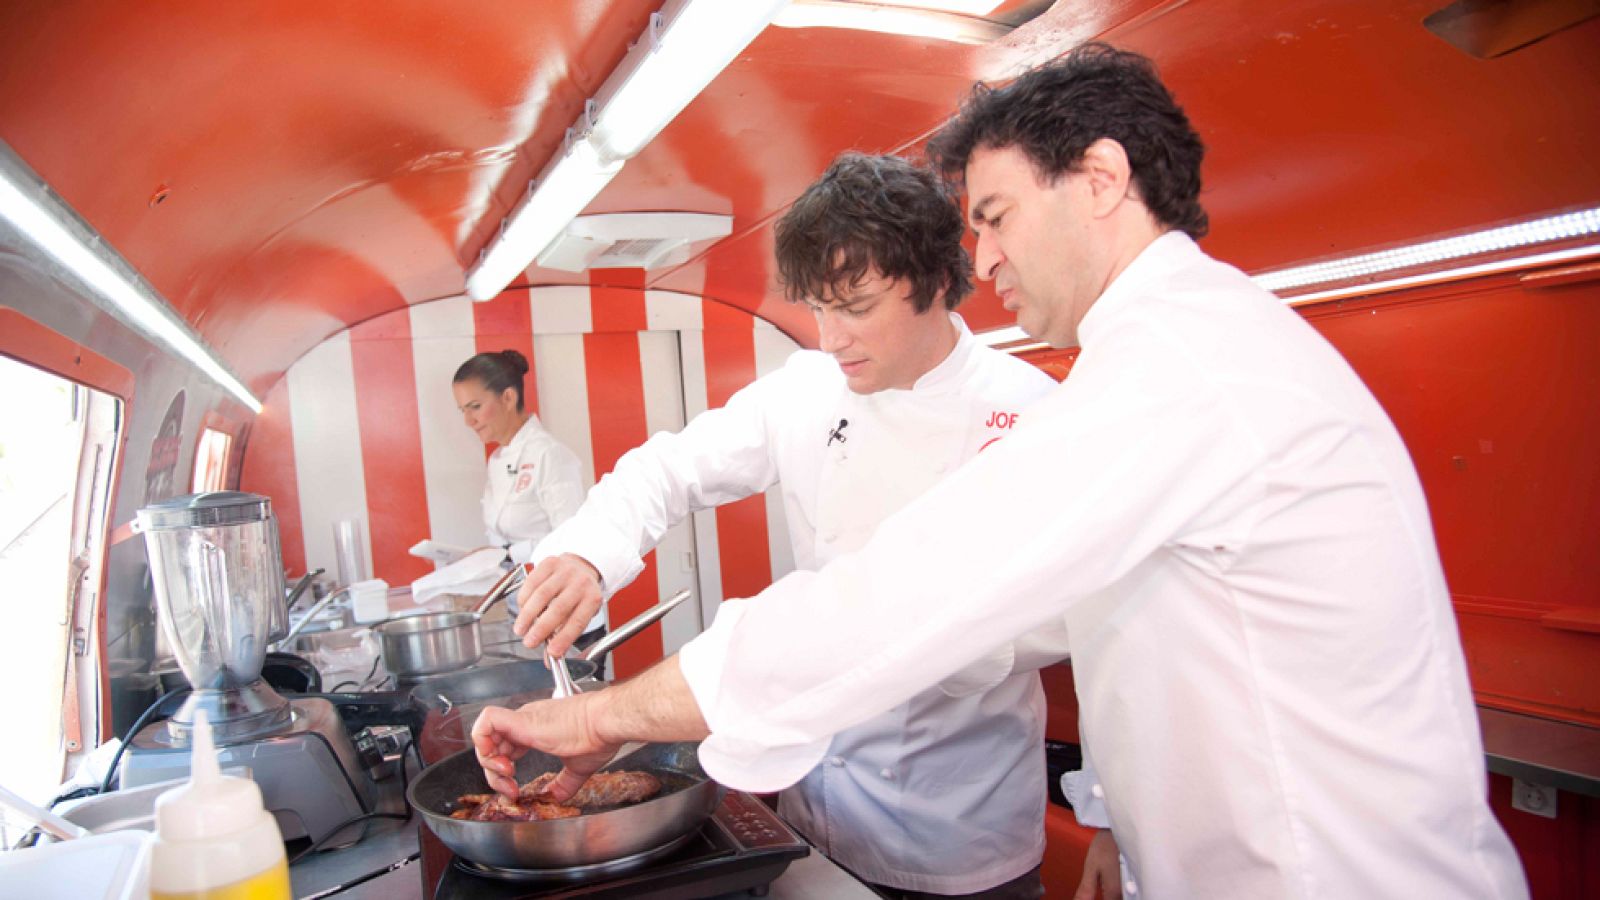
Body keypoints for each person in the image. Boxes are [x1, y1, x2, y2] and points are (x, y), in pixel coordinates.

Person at [472, 44, 1529, 899]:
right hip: (879, 804)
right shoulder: (1175, 353)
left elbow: (920, 592)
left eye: (995, 216)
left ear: (1102, 179)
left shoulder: (1172, 375)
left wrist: (603, 714)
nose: (983, 259)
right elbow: (1140, 635)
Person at [505, 152, 1068, 897]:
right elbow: (669, 467)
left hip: (957, 828)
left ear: (935, 278)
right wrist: (587, 552)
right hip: (812, 801)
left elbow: (1034, 630)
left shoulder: (1032, 413)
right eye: (818, 308)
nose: (831, 338)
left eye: (857, 306)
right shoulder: (809, 386)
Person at [450, 351, 602, 645]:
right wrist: (486, 555)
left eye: (475, 407)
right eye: (463, 411)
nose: (469, 420)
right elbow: (505, 535)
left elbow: (572, 540)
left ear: (508, 398)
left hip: (566, 615)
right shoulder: (496, 460)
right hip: (523, 610)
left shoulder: (550, 456)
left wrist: (509, 554)